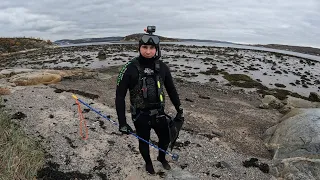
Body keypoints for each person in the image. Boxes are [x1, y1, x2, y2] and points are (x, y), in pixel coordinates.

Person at [115, 26, 184, 175]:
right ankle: (148, 163)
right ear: (139, 48)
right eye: (145, 47)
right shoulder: (129, 68)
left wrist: (179, 109)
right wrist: (122, 122)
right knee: (143, 142)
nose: (148, 51)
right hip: (140, 116)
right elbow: (120, 96)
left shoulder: (163, 67)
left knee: (165, 138)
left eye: (152, 47)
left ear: (156, 49)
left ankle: (161, 158)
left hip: (159, 114)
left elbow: (171, 90)